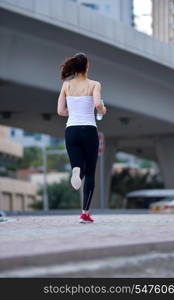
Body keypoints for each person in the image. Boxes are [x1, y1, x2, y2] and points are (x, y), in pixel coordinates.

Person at [57, 52, 107, 223]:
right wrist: (102, 110)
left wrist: (74, 111)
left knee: (79, 167)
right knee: (91, 172)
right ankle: (85, 213)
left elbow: (60, 111)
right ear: (86, 66)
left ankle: (76, 169)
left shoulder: (66, 85)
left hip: (71, 130)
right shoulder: (94, 84)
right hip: (88, 130)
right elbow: (97, 104)